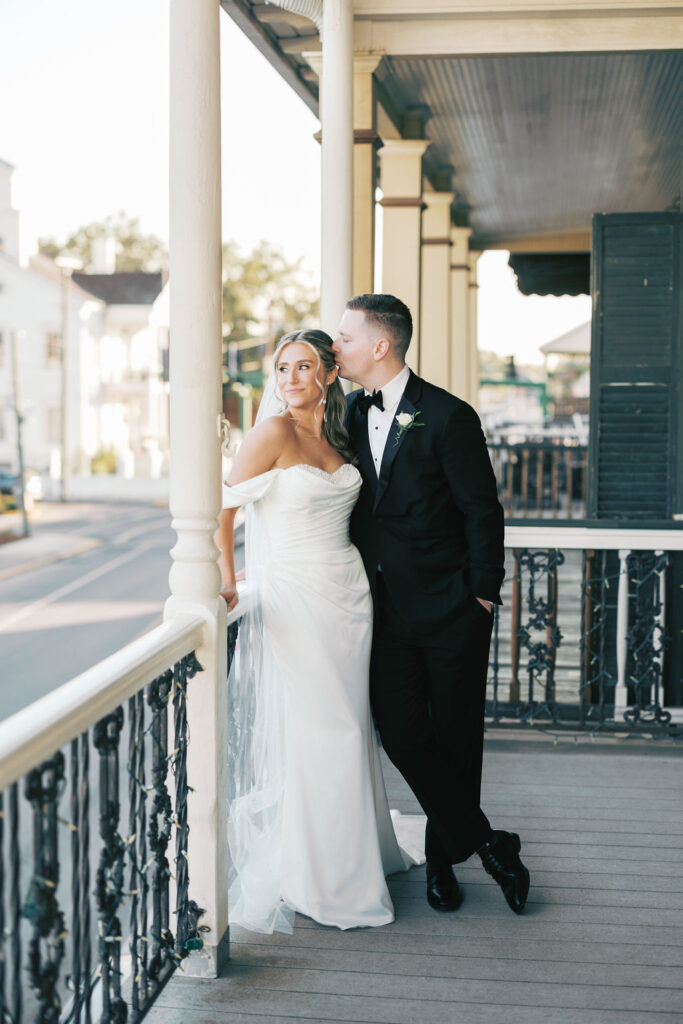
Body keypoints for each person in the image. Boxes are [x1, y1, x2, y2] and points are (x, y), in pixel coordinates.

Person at [216, 328, 423, 934]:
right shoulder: (272, 432)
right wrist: (230, 579)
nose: (291, 380)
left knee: (352, 724)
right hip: (297, 595)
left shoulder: (337, 432)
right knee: (325, 725)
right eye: (283, 369)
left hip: (348, 592)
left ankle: (362, 851)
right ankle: (325, 876)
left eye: (304, 368)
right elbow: (224, 510)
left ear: (329, 374)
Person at [334, 293, 530, 915]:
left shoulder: (448, 416)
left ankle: (444, 862)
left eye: (344, 338)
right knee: (400, 732)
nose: (335, 347)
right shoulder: (345, 414)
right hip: (382, 610)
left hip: (452, 609)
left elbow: (482, 511)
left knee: (455, 738)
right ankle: (488, 842)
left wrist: (483, 594)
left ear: (379, 345)